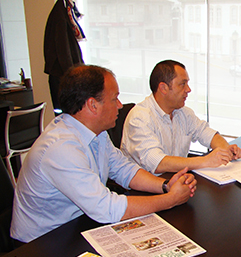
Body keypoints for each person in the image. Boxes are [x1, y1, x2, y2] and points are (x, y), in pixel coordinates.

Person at [11, 65, 197, 244]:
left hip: (77, 226)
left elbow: (123, 169)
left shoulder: (96, 133)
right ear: (93, 105)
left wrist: (165, 185)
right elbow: (106, 209)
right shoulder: (61, 148)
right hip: (41, 245)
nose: (120, 105)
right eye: (114, 98)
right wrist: (170, 199)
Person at [121, 60, 241, 174]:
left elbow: (206, 133)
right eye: (182, 84)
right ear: (163, 88)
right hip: (146, 190)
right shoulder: (139, 118)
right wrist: (206, 161)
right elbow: (157, 163)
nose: (188, 89)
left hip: (176, 182)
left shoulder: (183, 113)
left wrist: (226, 150)